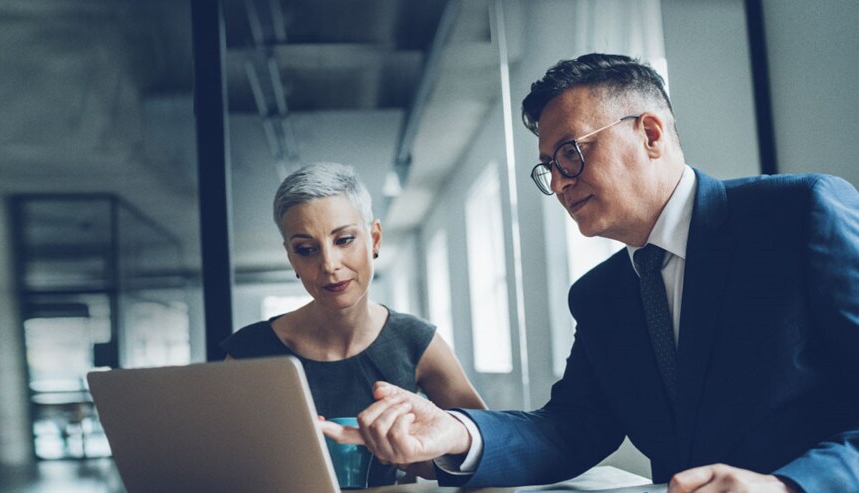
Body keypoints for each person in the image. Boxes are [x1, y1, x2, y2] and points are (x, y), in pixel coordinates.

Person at [321, 54, 859, 492]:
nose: (557, 184)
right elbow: (573, 427)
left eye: (571, 153)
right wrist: (456, 433)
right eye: (548, 167)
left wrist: (787, 487)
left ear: (651, 134)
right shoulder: (601, 295)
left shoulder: (797, 214)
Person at [221, 162, 486, 486]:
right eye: (306, 250)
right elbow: (215, 464)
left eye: (344, 239)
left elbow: (487, 457)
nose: (329, 265)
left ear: (374, 239)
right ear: (291, 259)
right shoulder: (250, 350)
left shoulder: (416, 341)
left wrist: (408, 454)